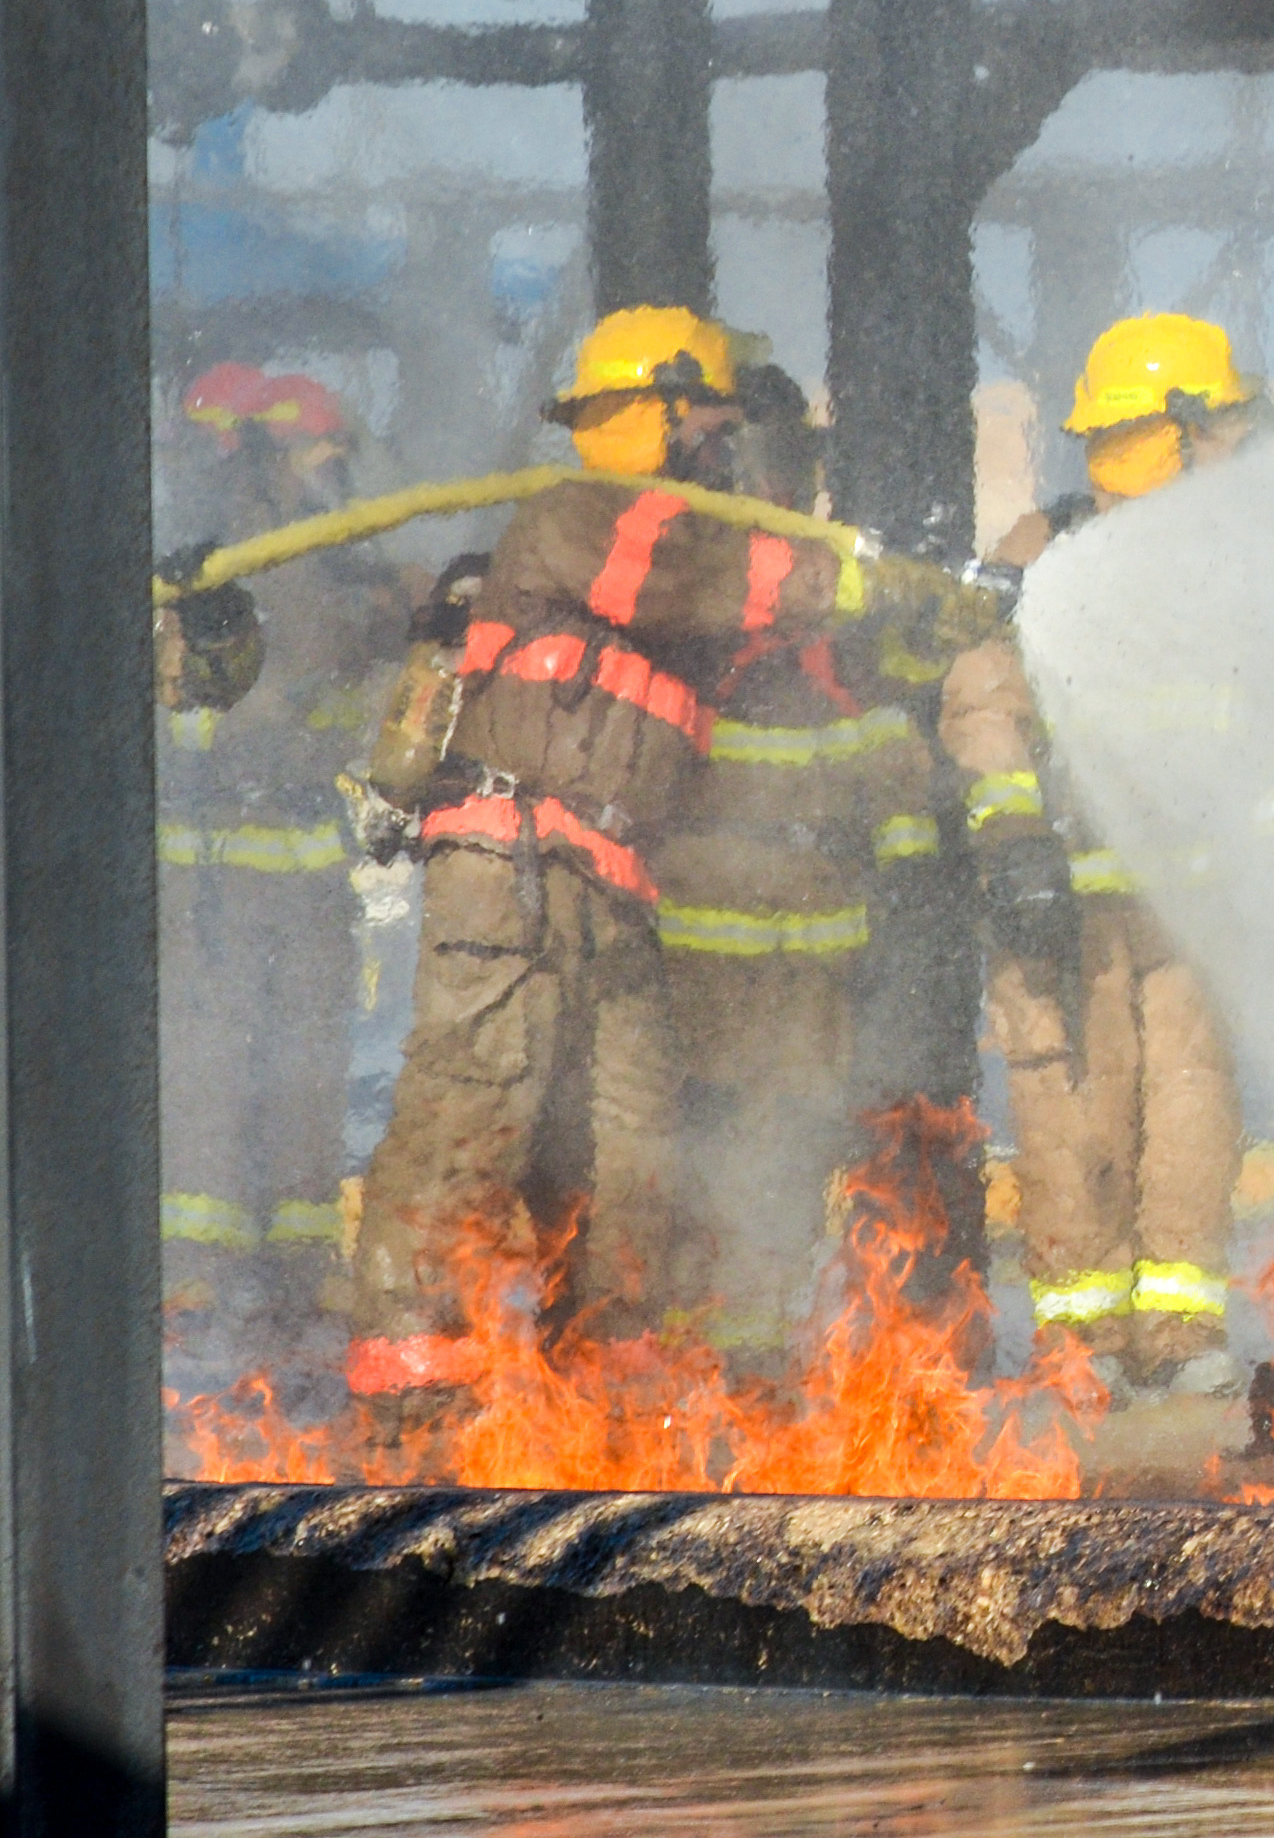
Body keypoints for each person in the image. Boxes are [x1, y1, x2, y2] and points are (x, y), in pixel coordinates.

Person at [340, 306, 990, 1436]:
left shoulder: (693, 549)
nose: (724, 445)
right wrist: (858, 574)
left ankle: (606, 1376)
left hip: (612, 884)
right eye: (710, 422)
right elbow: (701, 575)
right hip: (512, 865)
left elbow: (805, 656)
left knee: (632, 1147)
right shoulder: (583, 520)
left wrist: (935, 616)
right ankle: (411, 1390)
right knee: (472, 1113)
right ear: (656, 413)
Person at [938, 311, 1262, 1399]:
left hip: (1186, 900)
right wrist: (1018, 836)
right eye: (1216, 426)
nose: (1233, 447)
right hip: (1065, 894)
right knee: (1073, 1102)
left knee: (1185, 1100)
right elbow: (984, 704)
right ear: (1165, 432)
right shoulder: (1044, 561)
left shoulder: (1222, 554)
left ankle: (1173, 1336)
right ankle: (1085, 1345)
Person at [650, 366, 977, 1368]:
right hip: (715, 920)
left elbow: (874, 722)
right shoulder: (708, 566)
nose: (783, 478)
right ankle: (701, 1338)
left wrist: (909, 858)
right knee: (706, 1126)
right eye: (761, 454)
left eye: (793, 458)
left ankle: (742, 1343)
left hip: (809, 922)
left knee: (786, 1129)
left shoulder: (819, 597)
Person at [158, 364, 380, 1358]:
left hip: (300, 860)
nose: (331, 474)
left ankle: (289, 1269)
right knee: (215, 1059)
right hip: (220, 865)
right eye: (317, 455)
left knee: (302, 1063)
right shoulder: (229, 557)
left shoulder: (318, 556)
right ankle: (206, 1280)